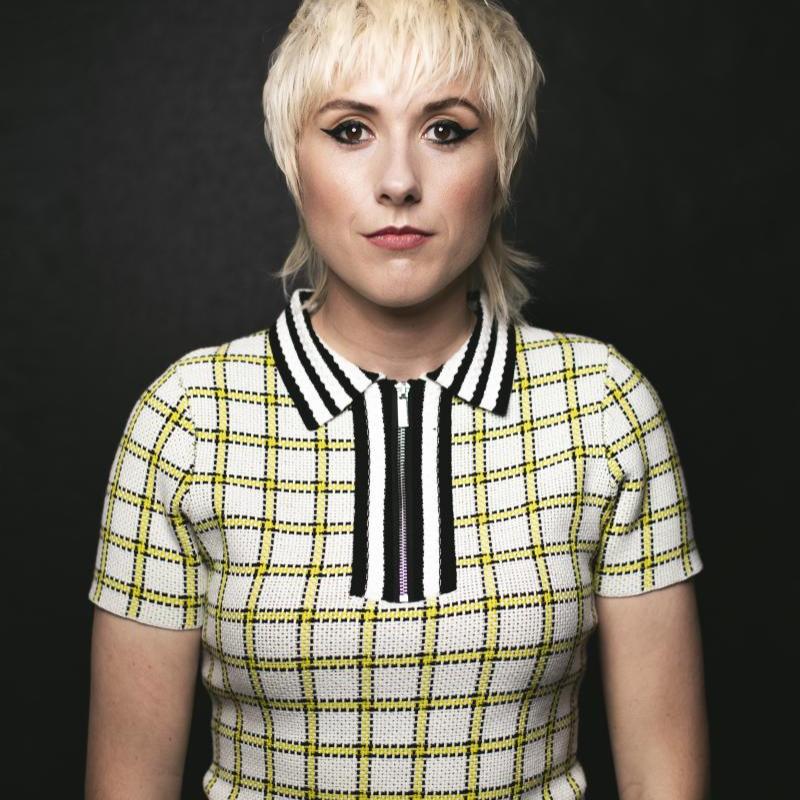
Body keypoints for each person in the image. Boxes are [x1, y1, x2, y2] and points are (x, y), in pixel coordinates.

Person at [85, 1, 709, 798]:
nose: (399, 182)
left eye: (446, 130)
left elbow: (668, 782)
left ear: (504, 157)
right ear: (292, 158)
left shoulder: (607, 408)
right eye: (351, 130)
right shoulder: (186, 421)